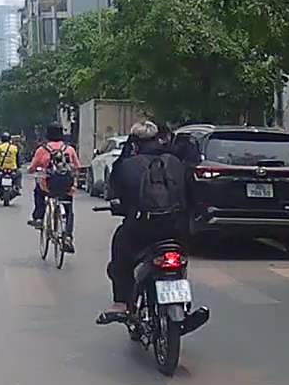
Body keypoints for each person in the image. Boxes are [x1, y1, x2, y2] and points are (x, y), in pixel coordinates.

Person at [96, 121, 188, 325]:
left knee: (120, 253)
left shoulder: (126, 165)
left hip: (141, 229)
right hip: (177, 229)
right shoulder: (175, 162)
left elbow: (115, 193)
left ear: (134, 142)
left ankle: (121, 302)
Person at [27, 124, 81, 254]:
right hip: (66, 187)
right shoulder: (69, 149)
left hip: (48, 187)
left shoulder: (42, 149)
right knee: (68, 210)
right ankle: (68, 237)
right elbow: (77, 167)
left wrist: (32, 170)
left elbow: (32, 168)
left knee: (38, 191)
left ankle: (39, 217)